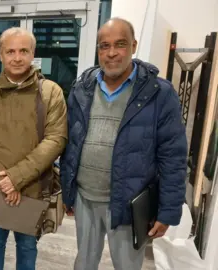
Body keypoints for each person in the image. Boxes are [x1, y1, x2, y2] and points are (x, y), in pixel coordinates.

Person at [60, 17, 188, 270]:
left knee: (127, 265)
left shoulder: (158, 93)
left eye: (119, 44)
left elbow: (173, 156)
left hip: (129, 201)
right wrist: (68, 190)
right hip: (86, 197)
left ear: (133, 45)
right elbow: (71, 144)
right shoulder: (81, 89)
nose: (111, 53)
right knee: (84, 262)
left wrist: (168, 211)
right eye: (103, 46)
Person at [0, 27, 68, 270]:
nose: (17, 57)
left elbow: (55, 139)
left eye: (23, 51)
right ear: (1, 55)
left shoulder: (50, 92)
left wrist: (15, 178)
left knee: (27, 245)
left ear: (32, 53)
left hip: (32, 185)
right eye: (10, 51)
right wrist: (4, 182)